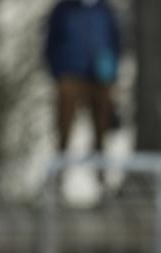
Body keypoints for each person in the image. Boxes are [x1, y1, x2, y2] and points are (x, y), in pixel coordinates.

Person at [44, 0, 120, 154]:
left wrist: (111, 70)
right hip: (70, 73)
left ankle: (100, 154)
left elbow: (115, 41)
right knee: (65, 118)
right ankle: (62, 155)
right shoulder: (63, 9)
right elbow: (51, 42)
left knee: (103, 116)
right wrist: (57, 71)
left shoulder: (105, 10)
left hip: (100, 74)